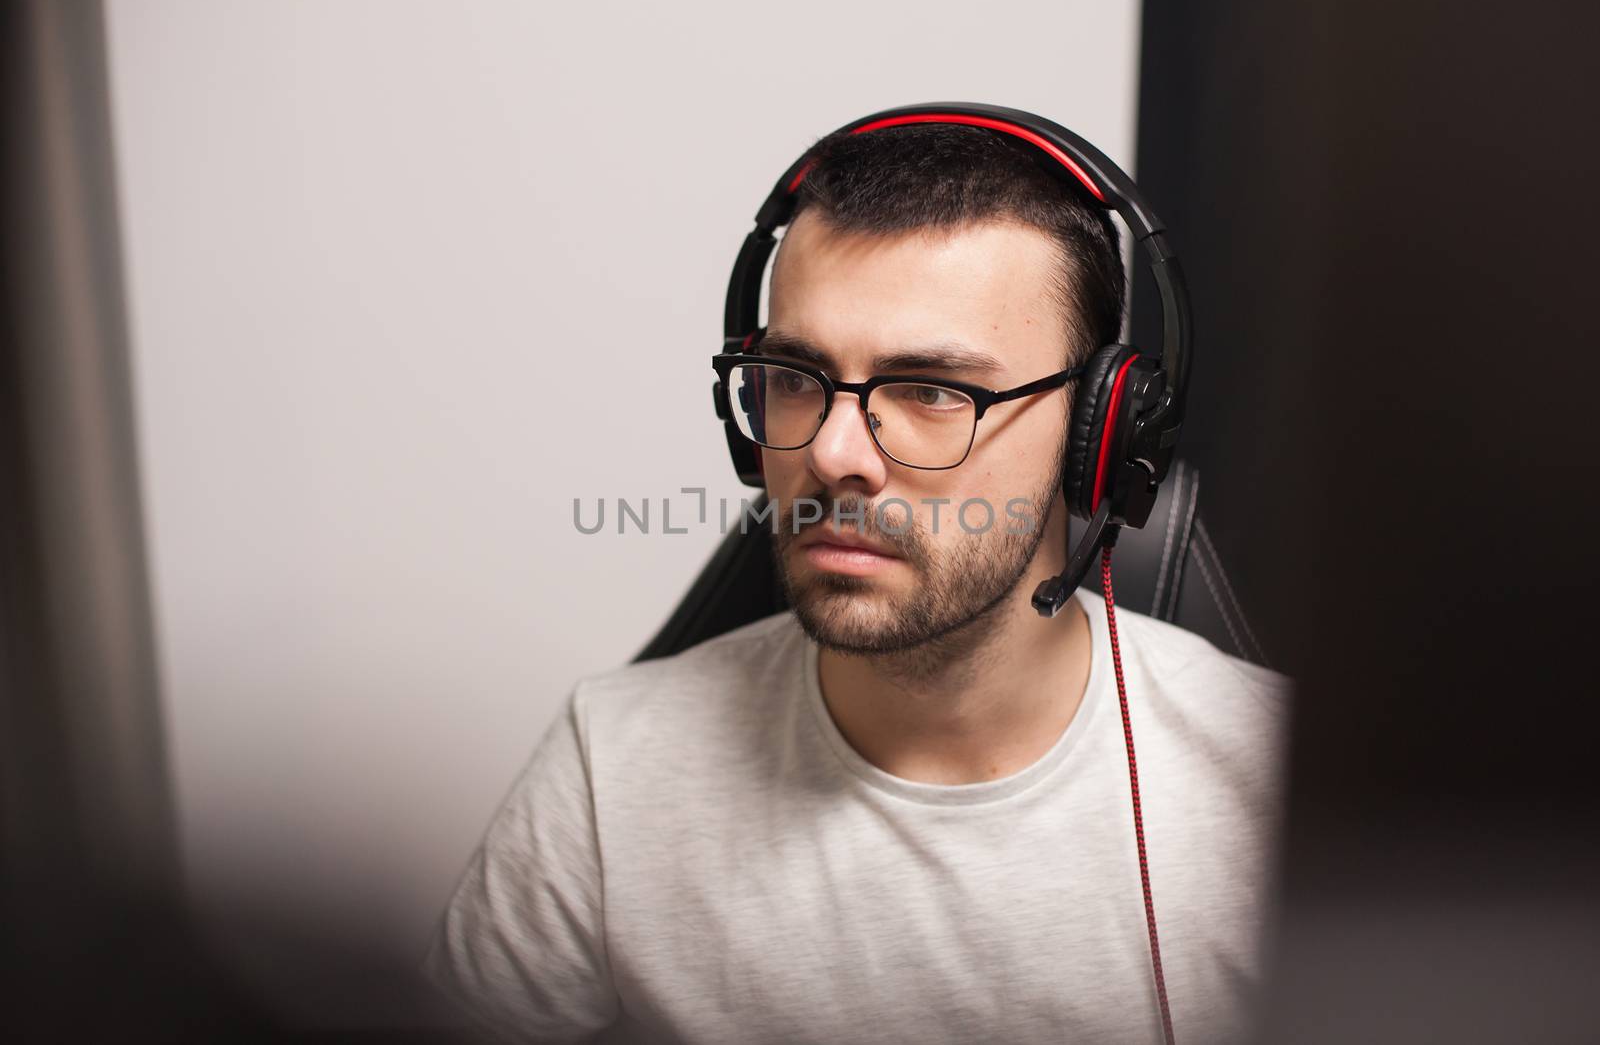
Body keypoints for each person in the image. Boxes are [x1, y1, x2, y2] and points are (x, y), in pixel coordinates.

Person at [425, 119, 1292, 1044]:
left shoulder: (1279, 796)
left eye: (929, 389)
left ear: (1100, 435)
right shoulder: (612, 772)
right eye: (796, 375)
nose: (833, 454)